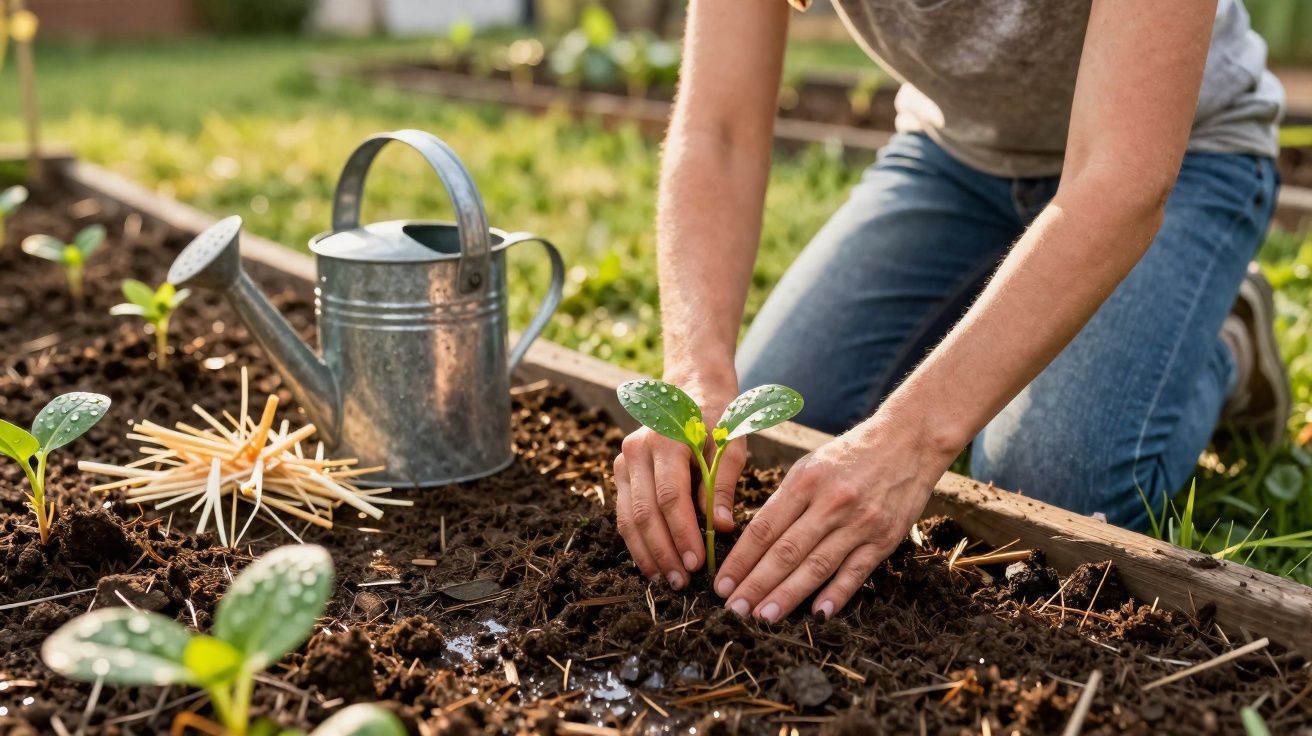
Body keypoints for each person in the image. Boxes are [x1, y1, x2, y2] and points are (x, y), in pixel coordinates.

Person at [612, 0, 1291, 625]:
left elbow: (1120, 178)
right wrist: (696, 372)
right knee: (782, 417)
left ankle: (1224, 340)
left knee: (1045, 485)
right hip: (956, 159)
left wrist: (910, 438)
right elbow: (719, 131)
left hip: (1181, 154)